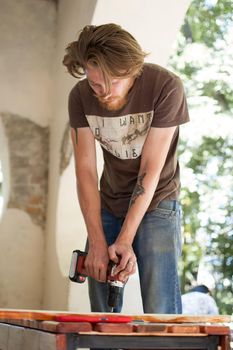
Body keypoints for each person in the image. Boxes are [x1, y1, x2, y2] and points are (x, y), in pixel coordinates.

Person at [63, 23, 189, 314]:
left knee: (161, 307)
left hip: (158, 199)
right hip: (109, 199)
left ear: (132, 69)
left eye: (113, 83)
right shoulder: (80, 97)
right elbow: (86, 171)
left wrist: (125, 240)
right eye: (95, 84)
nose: (103, 93)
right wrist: (96, 242)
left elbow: (150, 170)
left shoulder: (165, 87)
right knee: (101, 307)